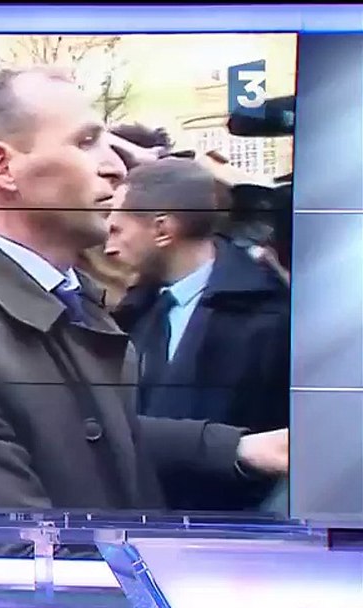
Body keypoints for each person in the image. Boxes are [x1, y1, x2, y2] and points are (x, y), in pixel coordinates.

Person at [0, 67, 288, 513]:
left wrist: (240, 450)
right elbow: (9, 555)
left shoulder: (74, 300)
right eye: (86, 142)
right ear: (3, 166)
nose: (114, 167)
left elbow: (92, 435)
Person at [106, 158, 290, 509]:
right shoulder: (134, 309)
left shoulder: (271, 316)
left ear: (162, 230)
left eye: (118, 230)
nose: (108, 246)